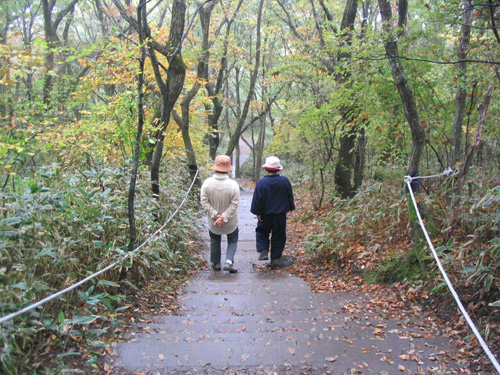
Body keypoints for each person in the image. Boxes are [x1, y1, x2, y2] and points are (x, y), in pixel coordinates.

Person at [250, 156, 295, 267]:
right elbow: (289, 196)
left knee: (262, 232)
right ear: (279, 168)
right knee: (279, 235)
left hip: (265, 215)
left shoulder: (261, 182)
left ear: (266, 168)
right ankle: (275, 258)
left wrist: (258, 213)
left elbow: (257, 199)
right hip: (280, 215)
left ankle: (263, 250)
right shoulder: (284, 181)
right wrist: (290, 207)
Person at [200, 155, 240, 273]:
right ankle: (229, 261)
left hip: (213, 221)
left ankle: (216, 263)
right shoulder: (233, 185)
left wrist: (215, 215)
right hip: (230, 221)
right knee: (232, 239)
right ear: (228, 169)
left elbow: (204, 201)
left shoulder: (207, 183)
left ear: (215, 167)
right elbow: (234, 204)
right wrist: (224, 217)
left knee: (215, 239)